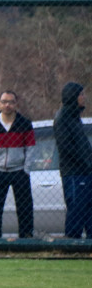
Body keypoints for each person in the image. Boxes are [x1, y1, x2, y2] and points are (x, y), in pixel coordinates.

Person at [0, 90, 35, 239]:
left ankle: (26, 239)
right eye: (4, 102)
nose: (7, 105)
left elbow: (30, 148)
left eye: (11, 102)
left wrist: (26, 169)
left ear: (16, 104)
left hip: (19, 171)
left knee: (24, 208)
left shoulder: (24, 124)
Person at [54, 82, 92, 239]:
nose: (84, 98)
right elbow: (67, 147)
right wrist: (86, 163)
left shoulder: (74, 117)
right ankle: (72, 243)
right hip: (74, 172)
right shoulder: (63, 118)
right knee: (77, 208)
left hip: (84, 171)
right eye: (81, 94)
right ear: (73, 96)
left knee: (88, 208)